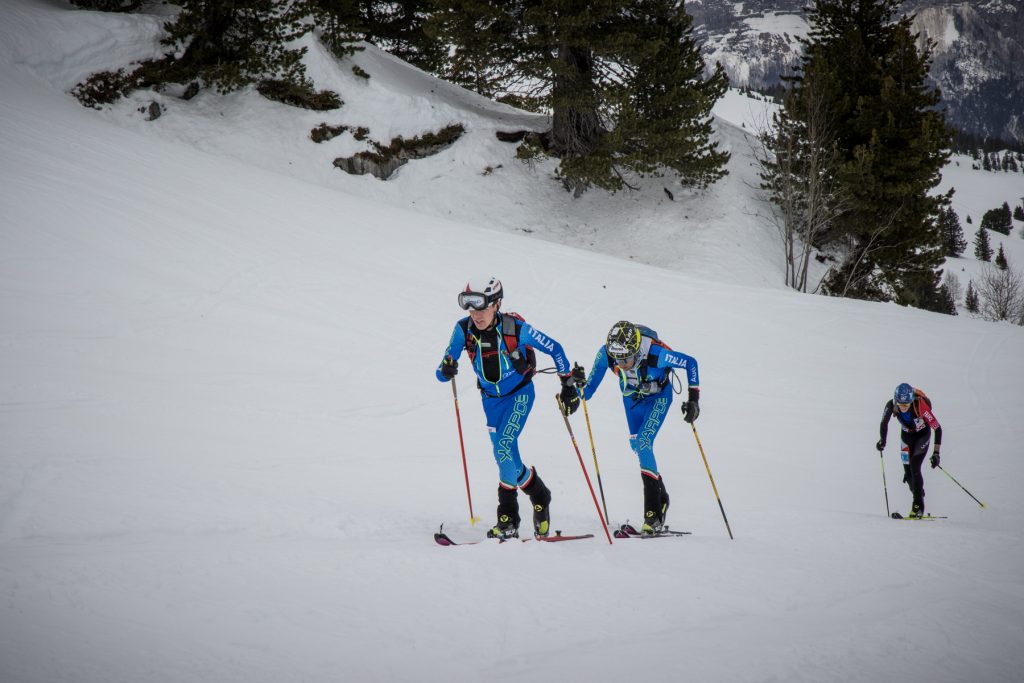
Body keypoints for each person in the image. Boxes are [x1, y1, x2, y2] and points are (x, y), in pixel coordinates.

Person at [436, 277, 578, 539]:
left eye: (482, 309)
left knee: (502, 446)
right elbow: (442, 371)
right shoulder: (462, 330)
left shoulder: (516, 329)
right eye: (471, 309)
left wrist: (568, 383)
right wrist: (446, 369)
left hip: (520, 395)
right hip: (490, 401)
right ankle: (539, 495)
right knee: (506, 456)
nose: (476, 315)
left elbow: (555, 348)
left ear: (496, 304)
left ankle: (508, 520)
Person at [568, 321, 700, 535]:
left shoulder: (656, 354)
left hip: (658, 397)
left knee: (644, 442)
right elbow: (587, 392)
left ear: (636, 351)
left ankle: (653, 515)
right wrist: (576, 385)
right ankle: (662, 498)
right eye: (618, 359)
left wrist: (693, 399)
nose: (622, 364)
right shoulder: (607, 354)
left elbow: (691, 363)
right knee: (636, 446)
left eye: (626, 359)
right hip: (632, 400)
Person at [877, 383, 943, 518]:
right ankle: (918, 493)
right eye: (901, 405)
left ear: (911, 399)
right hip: (906, 437)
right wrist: (882, 440)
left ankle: (918, 507)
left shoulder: (919, 405)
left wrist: (936, 453)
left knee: (915, 465)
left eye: (906, 404)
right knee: (908, 474)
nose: (903, 407)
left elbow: (937, 428)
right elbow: (884, 423)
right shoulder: (891, 405)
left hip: (922, 436)